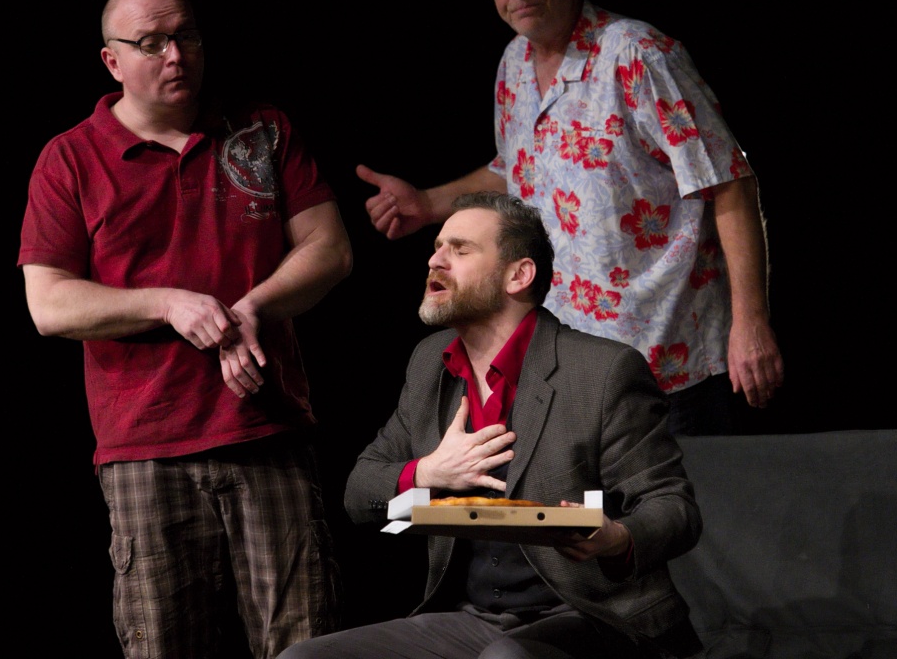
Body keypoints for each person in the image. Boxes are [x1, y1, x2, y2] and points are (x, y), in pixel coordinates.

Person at [356, 0, 783, 435]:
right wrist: (426, 203)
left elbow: (728, 181)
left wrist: (751, 321)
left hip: (671, 362)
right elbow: (520, 171)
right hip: (572, 369)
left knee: (689, 493)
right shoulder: (513, 64)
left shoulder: (637, 54)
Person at [17, 0, 351, 659]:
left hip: (267, 429)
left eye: (186, 36)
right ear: (112, 60)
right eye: (151, 43)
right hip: (145, 445)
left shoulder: (262, 129)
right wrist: (167, 303)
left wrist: (254, 305)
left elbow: (331, 249)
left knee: (305, 644)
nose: (176, 55)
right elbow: (49, 304)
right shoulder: (70, 158)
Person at [279, 191, 704, 659]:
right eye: (438, 247)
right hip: (476, 620)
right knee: (304, 658)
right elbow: (360, 493)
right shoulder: (430, 364)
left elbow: (673, 507)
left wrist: (616, 539)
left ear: (518, 275)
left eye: (460, 250)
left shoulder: (603, 371)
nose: (435, 260)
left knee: (507, 658)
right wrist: (428, 473)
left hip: (594, 614)